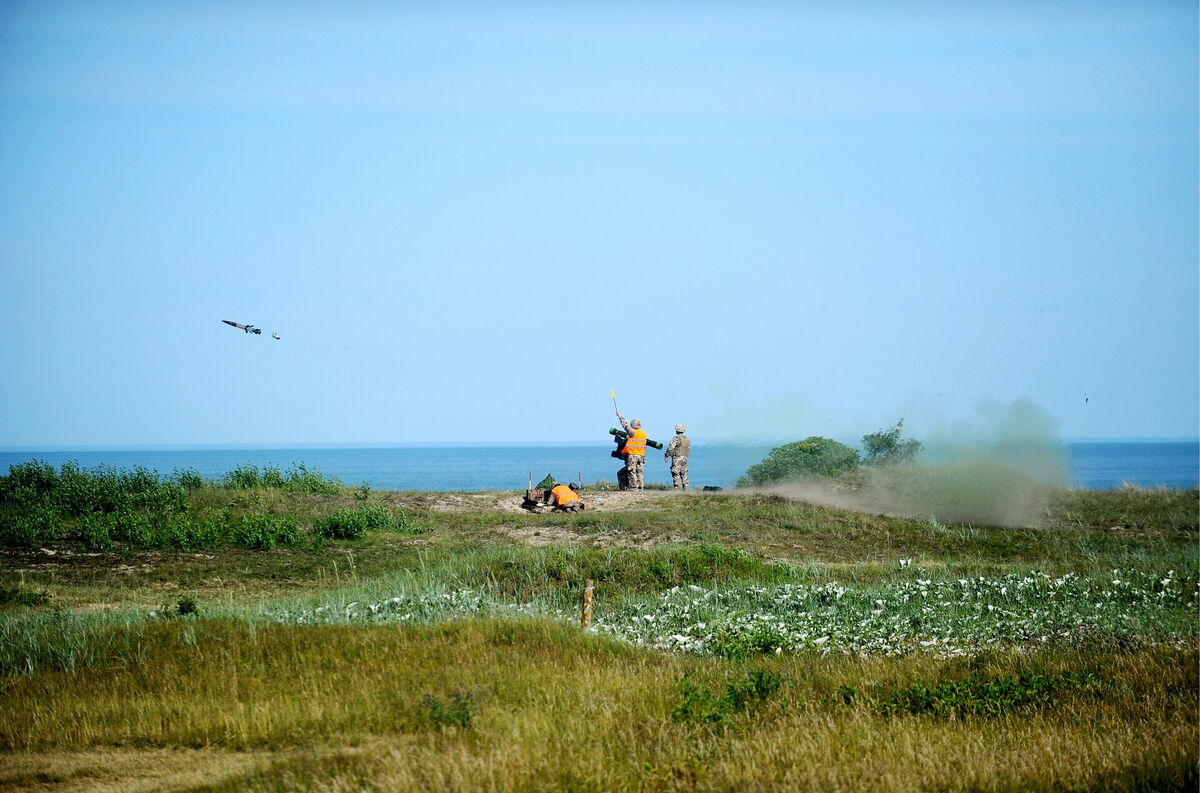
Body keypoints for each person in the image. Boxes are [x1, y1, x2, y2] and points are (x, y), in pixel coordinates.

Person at [616, 411, 648, 490]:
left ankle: (633, 487)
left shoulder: (633, 432)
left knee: (631, 471)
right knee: (639, 471)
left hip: (633, 455)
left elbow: (625, 425)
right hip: (641, 456)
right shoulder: (643, 434)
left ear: (632, 425)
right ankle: (641, 487)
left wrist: (620, 416)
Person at [665, 423, 690, 489]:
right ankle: (686, 489)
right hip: (684, 458)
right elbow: (688, 449)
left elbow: (670, 448)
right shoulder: (686, 439)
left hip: (677, 458)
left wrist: (667, 455)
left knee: (675, 473)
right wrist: (685, 456)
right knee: (684, 473)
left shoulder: (676, 438)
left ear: (676, 430)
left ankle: (677, 489)